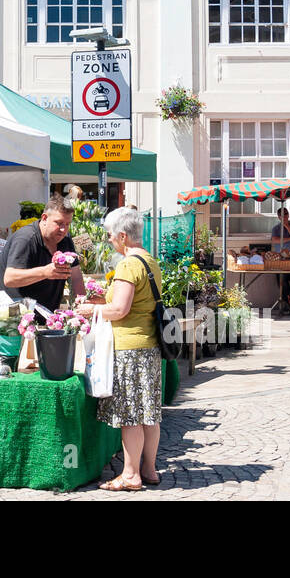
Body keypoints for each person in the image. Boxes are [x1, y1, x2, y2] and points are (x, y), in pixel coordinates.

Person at [79, 207, 164, 491]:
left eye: (110, 235)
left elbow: (119, 309)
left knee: (131, 416)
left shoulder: (128, 264)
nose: (108, 241)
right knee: (149, 414)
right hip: (149, 345)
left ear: (123, 236)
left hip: (129, 349)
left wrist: (91, 308)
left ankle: (130, 475)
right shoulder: (149, 260)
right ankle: (149, 470)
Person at [0, 194, 84, 317]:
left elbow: (76, 277)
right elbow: (10, 278)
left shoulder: (66, 242)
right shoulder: (26, 238)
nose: (63, 229)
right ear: (44, 218)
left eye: (67, 224)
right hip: (6, 317)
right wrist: (45, 272)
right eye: (59, 223)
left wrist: (82, 304)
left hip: (40, 316)